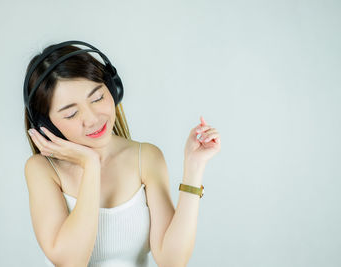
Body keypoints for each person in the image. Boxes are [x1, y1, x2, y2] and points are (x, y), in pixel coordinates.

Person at [23, 41, 221, 267]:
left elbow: (172, 261)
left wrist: (194, 167)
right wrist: (91, 165)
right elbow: (70, 261)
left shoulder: (145, 157)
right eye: (71, 114)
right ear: (46, 125)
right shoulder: (42, 170)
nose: (92, 118)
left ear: (114, 89)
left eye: (97, 98)